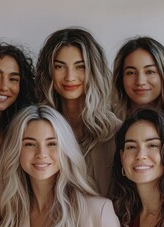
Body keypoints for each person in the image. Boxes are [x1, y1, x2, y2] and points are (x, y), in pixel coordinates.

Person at [0, 105, 122, 227]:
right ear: (16, 150)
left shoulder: (98, 211)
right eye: (30, 144)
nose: (41, 154)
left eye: (52, 144)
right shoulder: (9, 217)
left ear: (66, 149)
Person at [35, 27, 121, 196]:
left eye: (80, 66)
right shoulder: (36, 127)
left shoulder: (115, 132)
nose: (70, 77)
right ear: (49, 72)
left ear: (94, 71)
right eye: (60, 66)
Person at [112, 37, 164, 119]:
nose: (140, 82)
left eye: (150, 72)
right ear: (120, 78)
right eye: (131, 73)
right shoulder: (107, 124)